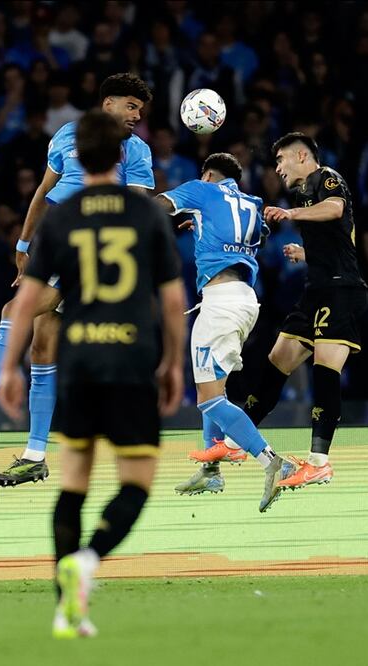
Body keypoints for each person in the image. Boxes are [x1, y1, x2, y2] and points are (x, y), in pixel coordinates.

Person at [0, 110, 185, 638]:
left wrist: (11, 364)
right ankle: (92, 557)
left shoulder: (61, 216)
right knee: (136, 483)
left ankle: (64, 608)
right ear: (123, 156)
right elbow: (171, 298)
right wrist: (172, 361)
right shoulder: (146, 214)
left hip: (78, 361)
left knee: (74, 480)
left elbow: (28, 299)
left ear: (76, 156)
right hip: (130, 359)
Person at [0, 73, 155, 489]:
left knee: (13, 310)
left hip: (94, 253)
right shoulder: (66, 136)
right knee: (41, 342)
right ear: (107, 104)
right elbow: (42, 192)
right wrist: (23, 241)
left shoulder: (135, 151)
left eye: (140, 111)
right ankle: (34, 455)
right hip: (59, 244)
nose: (136, 116)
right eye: (130, 107)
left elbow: (138, 211)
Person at [155, 153, 294, 512]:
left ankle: (271, 460)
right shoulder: (253, 202)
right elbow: (257, 231)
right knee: (214, 385)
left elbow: (158, 206)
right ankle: (211, 470)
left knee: (207, 397)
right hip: (246, 300)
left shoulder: (202, 189)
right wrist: (200, 225)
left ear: (209, 173)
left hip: (219, 303)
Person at [239, 132, 368, 490]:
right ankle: (237, 439)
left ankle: (319, 462)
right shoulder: (304, 191)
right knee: (277, 357)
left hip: (342, 289)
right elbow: (341, 241)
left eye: (281, 160)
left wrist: (292, 213)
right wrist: (306, 253)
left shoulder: (326, 177)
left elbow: (337, 208)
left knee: (325, 369)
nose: (277, 168)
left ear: (300, 156)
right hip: (317, 289)